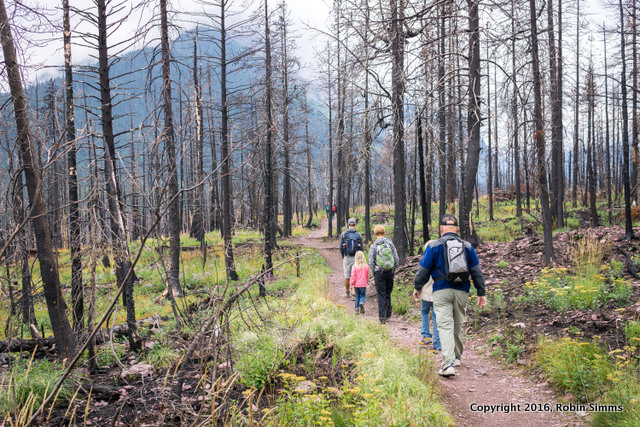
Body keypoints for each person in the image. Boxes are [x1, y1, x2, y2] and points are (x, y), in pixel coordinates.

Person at [413, 214, 486, 377]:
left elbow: (423, 270)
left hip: (441, 290)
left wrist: (417, 287)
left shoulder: (434, 246)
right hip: (462, 290)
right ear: (457, 229)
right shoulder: (467, 246)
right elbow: (476, 271)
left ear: (441, 229)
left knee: (445, 325)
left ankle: (448, 364)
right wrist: (481, 292)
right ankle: (457, 357)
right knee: (458, 322)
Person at [368, 225, 399, 324]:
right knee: (388, 292)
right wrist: (393, 269)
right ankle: (388, 313)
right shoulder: (390, 244)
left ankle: (382, 317)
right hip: (389, 271)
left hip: (379, 272)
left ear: (375, 234)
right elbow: (396, 258)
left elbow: (371, 261)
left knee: (381, 294)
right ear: (384, 233)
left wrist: (374, 272)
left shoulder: (374, 245)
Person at [418, 241, 440, 350]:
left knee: (424, 312)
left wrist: (417, 289)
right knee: (436, 317)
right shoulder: (440, 263)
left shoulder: (424, 262)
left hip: (425, 293)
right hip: (437, 293)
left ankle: (426, 336)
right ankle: (437, 342)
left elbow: (420, 277)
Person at [340, 218, 363, 299]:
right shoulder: (359, 235)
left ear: (348, 224)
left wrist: (343, 256)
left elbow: (340, 247)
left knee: (347, 276)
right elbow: (361, 248)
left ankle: (347, 292)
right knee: (355, 276)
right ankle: (354, 293)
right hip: (356, 258)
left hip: (347, 257)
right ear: (355, 224)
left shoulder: (343, 234)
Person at [350, 250, 369, 315]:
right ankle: (362, 303)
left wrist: (351, 283)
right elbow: (367, 275)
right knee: (363, 295)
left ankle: (356, 310)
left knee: (357, 296)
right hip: (363, 284)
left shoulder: (354, 266)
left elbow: (353, 276)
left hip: (356, 285)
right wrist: (367, 281)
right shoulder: (366, 266)